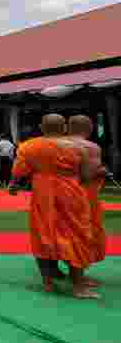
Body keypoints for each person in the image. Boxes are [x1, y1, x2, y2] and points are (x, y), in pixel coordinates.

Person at [9, 114, 98, 298]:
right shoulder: (78, 147)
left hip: (43, 192)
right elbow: (87, 175)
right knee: (76, 233)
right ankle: (78, 286)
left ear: (42, 127)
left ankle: (48, 281)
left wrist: (14, 185)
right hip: (71, 192)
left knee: (43, 231)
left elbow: (19, 171)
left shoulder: (29, 146)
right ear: (64, 127)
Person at [68, 115, 108, 273]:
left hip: (61, 192)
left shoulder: (58, 144)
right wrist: (102, 171)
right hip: (84, 193)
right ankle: (78, 274)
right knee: (84, 230)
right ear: (90, 128)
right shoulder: (92, 147)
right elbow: (88, 175)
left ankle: (56, 271)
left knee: (64, 229)